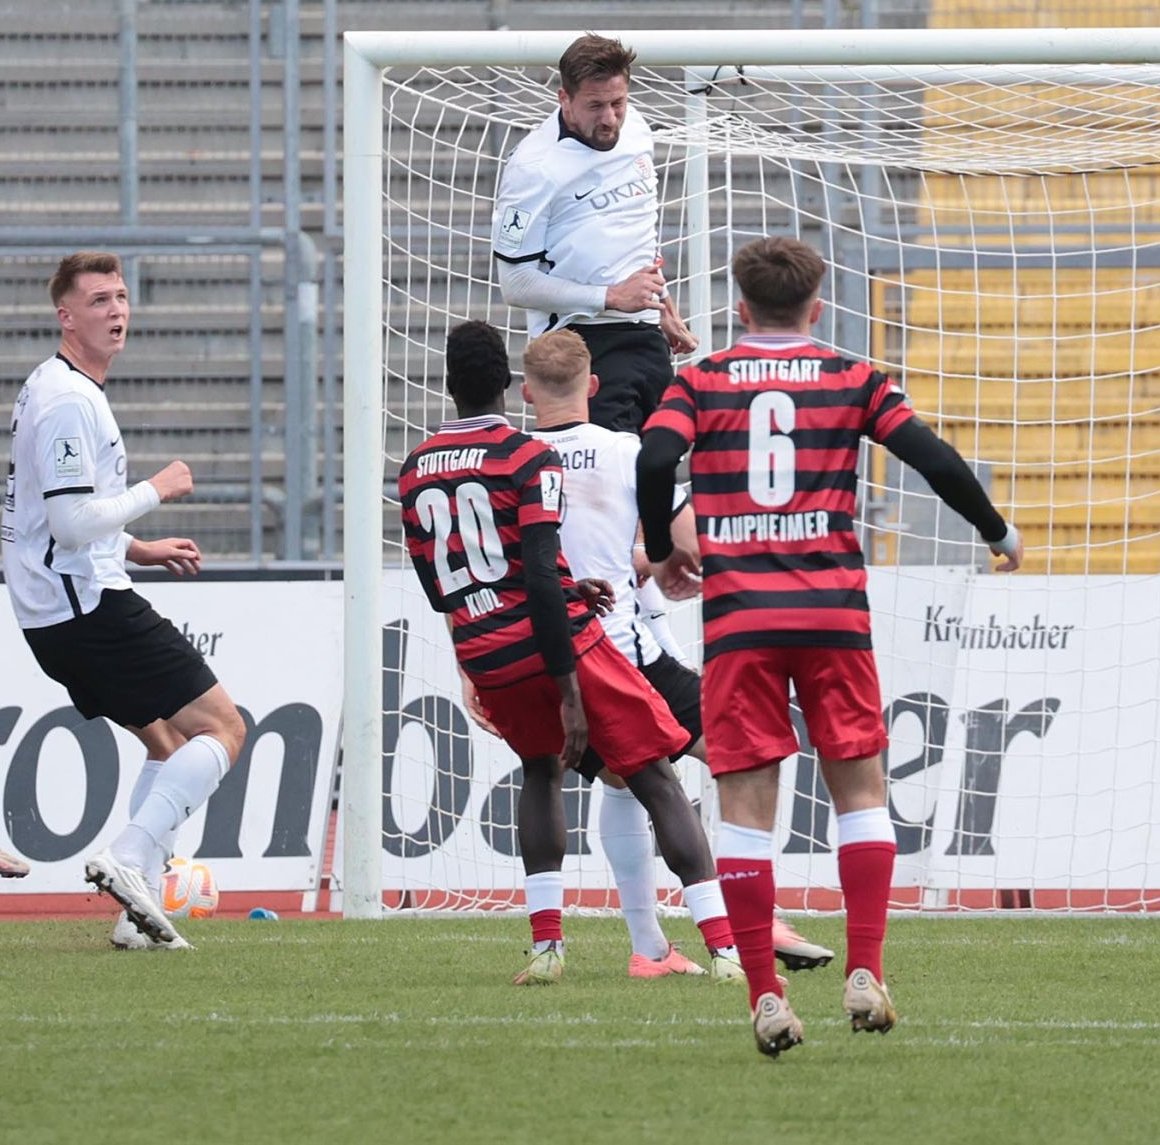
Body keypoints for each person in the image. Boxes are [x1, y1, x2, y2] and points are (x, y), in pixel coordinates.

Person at [638, 236, 1023, 1058]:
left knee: (746, 813)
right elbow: (932, 457)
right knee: (862, 793)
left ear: (741, 308)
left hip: (741, 622)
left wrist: (663, 549)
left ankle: (765, 994)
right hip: (832, 617)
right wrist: (996, 530)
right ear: (817, 308)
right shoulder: (853, 377)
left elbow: (657, 455)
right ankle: (866, 970)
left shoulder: (701, 381)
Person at [399, 320, 738, 986]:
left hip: (484, 648)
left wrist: (472, 661)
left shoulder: (413, 468)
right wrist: (570, 691)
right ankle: (725, 949)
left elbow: (443, 586)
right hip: (565, 645)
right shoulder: (528, 456)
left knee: (539, 771)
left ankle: (549, 947)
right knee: (656, 778)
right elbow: (535, 568)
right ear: (507, 386)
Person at [517, 329, 835, 978]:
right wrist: (664, 559)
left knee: (625, 779)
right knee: (744, 755)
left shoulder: (513, 458)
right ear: (593, 386)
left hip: (549, 658)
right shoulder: (627, 451)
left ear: (526, 393)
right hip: (623, 653)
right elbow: (688, 543)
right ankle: (754, 914)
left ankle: (650, 948)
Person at [0, 250, 248, 950]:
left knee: (166, 744)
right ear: (66, 316)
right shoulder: (68, 401)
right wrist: (156, 489)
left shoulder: (58, 386)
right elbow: (72, 523)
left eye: (121, 297)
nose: (116, 311)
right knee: (224, 728)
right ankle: (130, 859)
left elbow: (57, 516)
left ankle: (133, 918)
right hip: (84, 608)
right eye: (99, 300)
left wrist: (139, 547)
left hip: (58, 609)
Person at [492, 33, 698, 435]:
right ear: (564, 99)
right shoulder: (532, 168)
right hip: (579, 344)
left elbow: (636, 229)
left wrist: (664, 307)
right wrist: (610, 297)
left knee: (657, 465)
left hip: (646, 334)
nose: (609, 119)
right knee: (606, 468)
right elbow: (515, 284)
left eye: (618, 103)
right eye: (595, 106)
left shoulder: (636, 129)